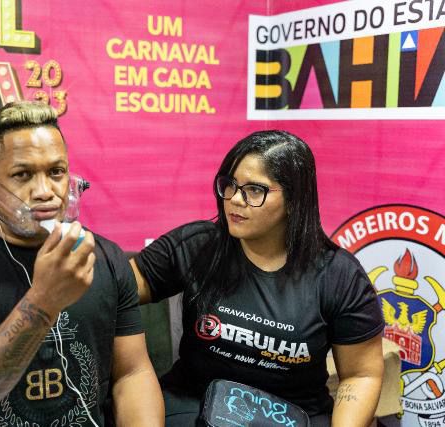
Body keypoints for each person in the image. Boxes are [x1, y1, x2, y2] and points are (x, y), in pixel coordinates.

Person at [0, 101, 163, 426]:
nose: (44, 191)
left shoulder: (106, 257)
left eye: (56, 172)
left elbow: (132, 374)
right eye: (22, 174)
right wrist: (44, 300)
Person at [130, 130, 384, 426]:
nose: (235, 199)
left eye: (254, 190)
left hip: (291, 414)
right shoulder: (197, 245)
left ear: (294, 199)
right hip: (193, 403)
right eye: (230, 185)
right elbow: (118, 290)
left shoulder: (340, 276)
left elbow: (361, 375)